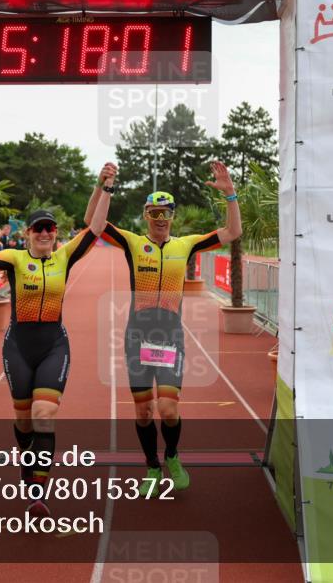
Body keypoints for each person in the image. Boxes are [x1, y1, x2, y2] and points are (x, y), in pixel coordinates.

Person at [0, 165, 117, 518]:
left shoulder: (65, 256)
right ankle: (27, 459)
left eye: (51, 228)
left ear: (56, 234)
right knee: (24, 422)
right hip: (19, 347)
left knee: (44, 415)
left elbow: (95, 228)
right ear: (30, 233)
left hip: (54, 346)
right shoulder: (17, 259)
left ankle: (38, 490)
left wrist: (106, 187)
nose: (46, 233)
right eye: (39, 229)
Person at [84, 161, 242, 496]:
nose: (160, 219)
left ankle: (171, 455)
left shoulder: (184, 245)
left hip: (169, 336)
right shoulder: (131, 242)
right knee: (144, 412)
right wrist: (104, 187)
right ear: (145, 215)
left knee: (168, 409)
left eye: (165, 213)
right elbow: (92, 224)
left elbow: (232, 233)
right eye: (154, 213)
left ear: (173, 215)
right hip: (136, 336)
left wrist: (230, 195)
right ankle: (152, 466)